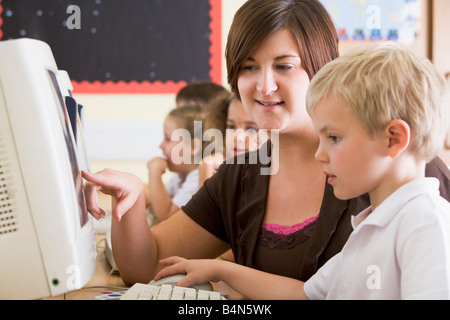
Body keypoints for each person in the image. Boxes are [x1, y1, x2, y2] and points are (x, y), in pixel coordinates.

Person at [82, 0, 450, 290]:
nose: (263, 86)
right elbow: (149, 265)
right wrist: (128, 200)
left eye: (284, 66)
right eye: (247, 67)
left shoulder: (395, 164)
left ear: (321, 67)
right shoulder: (241, 174)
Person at [155, 42, 450, 300]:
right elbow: (303, 293)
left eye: (333, 138)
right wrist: (219, 268)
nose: (320, 154)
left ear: (394, 138)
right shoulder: (372, 225)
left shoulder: (424, 225)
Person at [143, 105, 203, 222]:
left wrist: (154, 172)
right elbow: (161, 201)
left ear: (193, 146)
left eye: (168, 138)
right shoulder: (179, 175)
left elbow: (167, 216)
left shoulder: (197, 178)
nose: (161, 146)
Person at [199, 94, 264, 186]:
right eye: (231, 126)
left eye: (252, 129)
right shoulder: (217, 170)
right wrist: (207, 168)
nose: (238, 137)